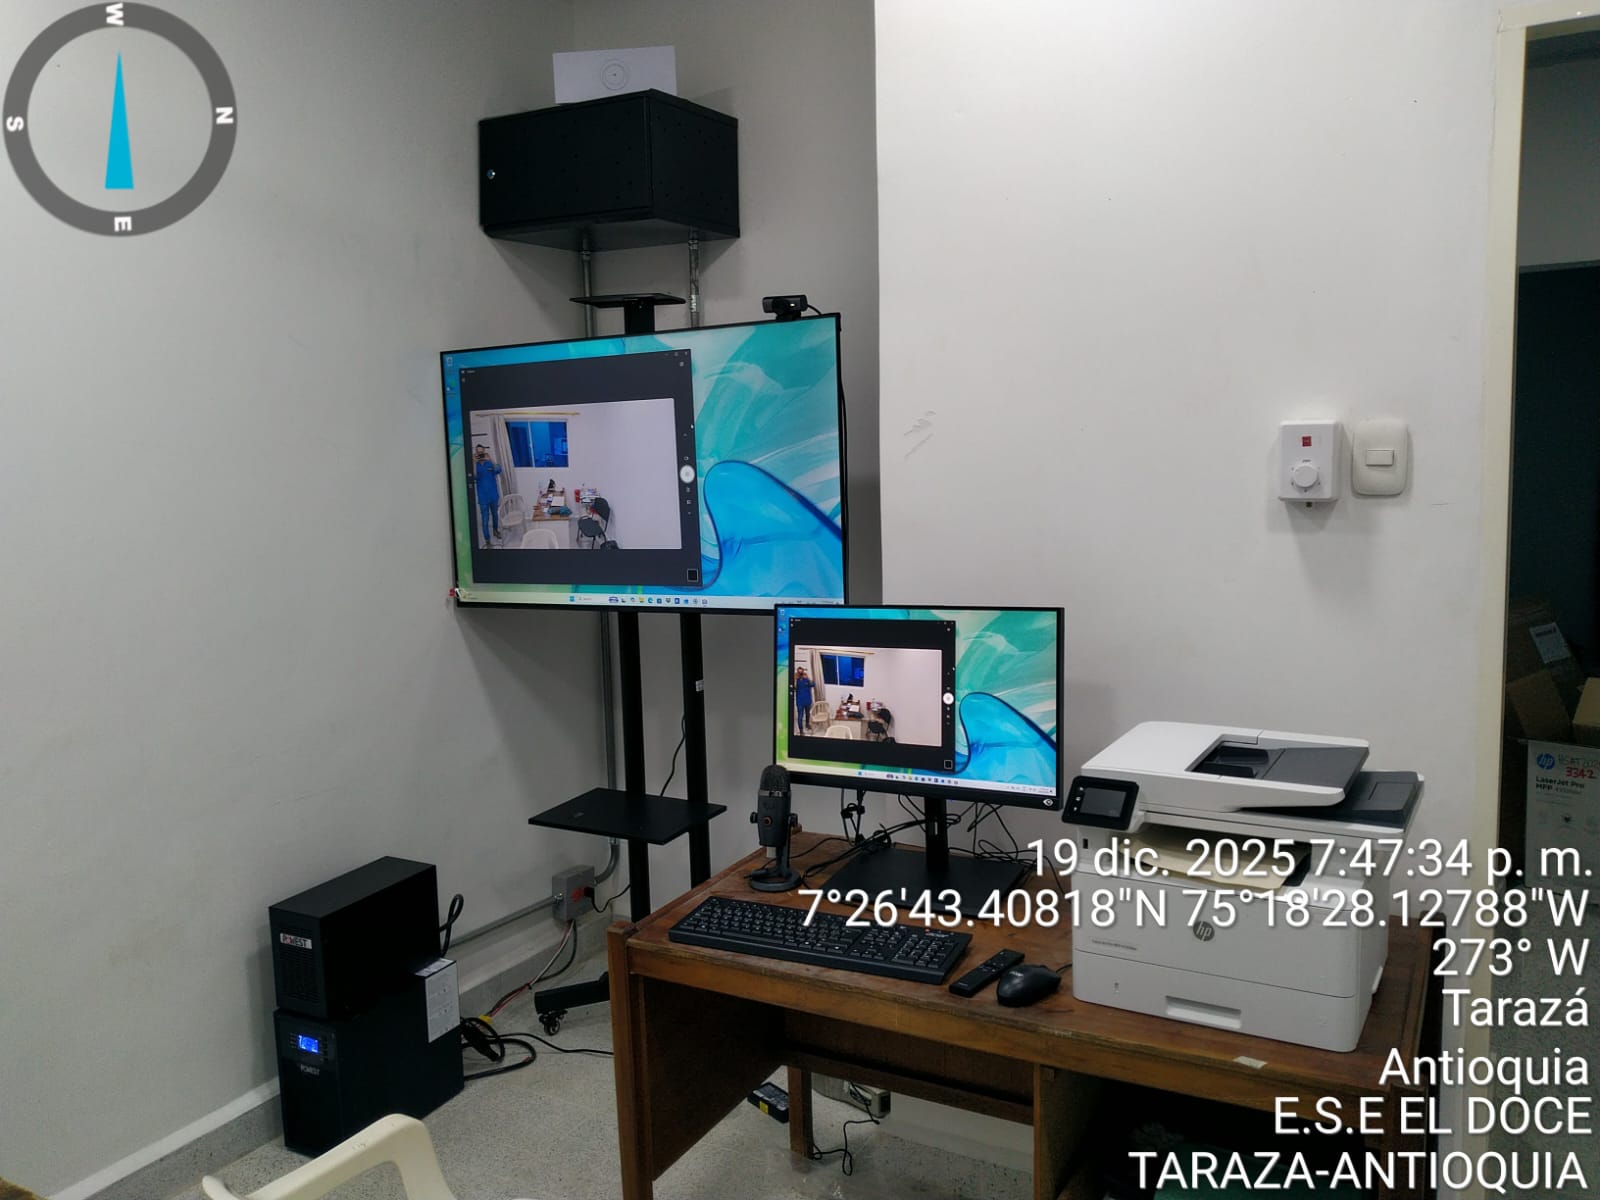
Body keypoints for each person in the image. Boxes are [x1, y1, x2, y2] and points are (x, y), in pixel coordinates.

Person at [473, 445, 503, 546]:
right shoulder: (475, 465)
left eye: (481, 452)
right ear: (476, 453)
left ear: (484, 452)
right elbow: (474, 477)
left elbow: (499, 470)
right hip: (483, 498)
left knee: (495, 515)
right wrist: (474, 463)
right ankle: (487, 540)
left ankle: (495, 531)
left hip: (493, 495)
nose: (480, 454)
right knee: (485, 520)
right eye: (478, 453)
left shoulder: (489, 463)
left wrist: (491, 459)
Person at [794, 666, 815, 733]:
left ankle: (807, 724)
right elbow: (794, 688)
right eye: (799, 672)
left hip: (807, 700)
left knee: (808, 714)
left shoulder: (806, 679)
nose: (800, 674)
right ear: (797, 672)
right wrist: (795, 679)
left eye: (801, 672)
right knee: (800, 716)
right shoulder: (796, 680)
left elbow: (813, 684)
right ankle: (801, 730)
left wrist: (808, 678)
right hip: (800, 701)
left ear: (803, 672)